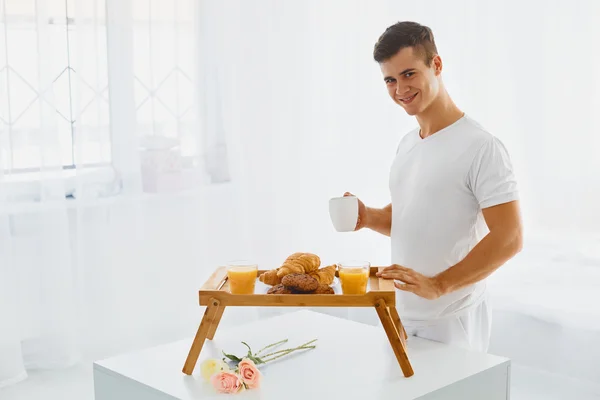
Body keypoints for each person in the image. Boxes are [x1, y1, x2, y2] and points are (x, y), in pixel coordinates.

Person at [345, 21, 523, 352]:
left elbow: (509, 237)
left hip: (453, 318)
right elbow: (412, 216)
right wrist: (367, 216)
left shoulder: (481, 146)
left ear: (436, 65)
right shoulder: (408, 144)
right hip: (404, 314)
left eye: (409, 74)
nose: (400, 89)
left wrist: (438, 285)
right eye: (390, 80)